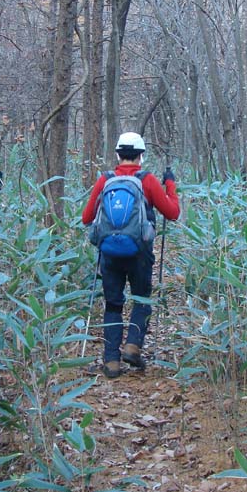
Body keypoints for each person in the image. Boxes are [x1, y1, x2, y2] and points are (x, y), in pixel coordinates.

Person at [82, 132, 180, 378]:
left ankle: (111, 362)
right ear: (141, 156)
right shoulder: (146, 180)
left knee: (113, 304)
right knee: (141, 297)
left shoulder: (105, 180)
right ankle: (133, 346)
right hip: (139, 252)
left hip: (109, 253)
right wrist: (170, 184)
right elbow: (172, 212)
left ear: (117, 154)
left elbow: (86, 218)